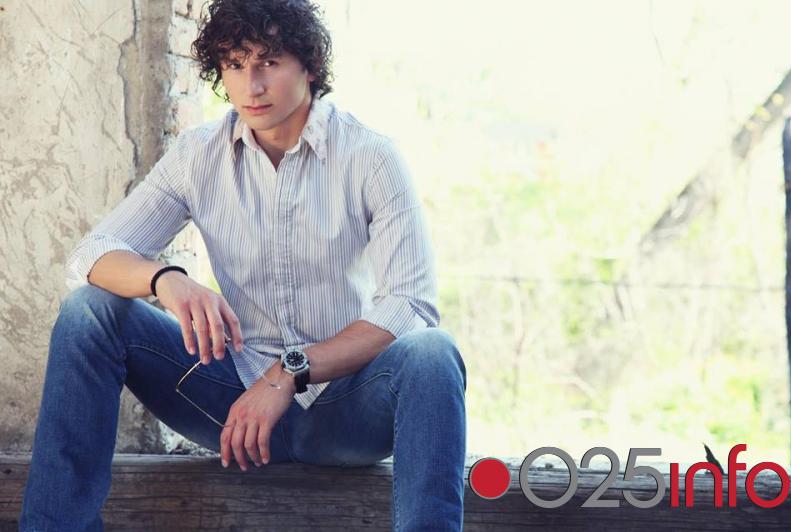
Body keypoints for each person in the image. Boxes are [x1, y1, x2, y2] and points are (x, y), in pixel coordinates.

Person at [18, 0, 467, 530]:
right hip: (230, 405)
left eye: (268, 62)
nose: (251, 85)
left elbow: (410, 305)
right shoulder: (198, 155)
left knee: (433, 353)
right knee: (90, 311)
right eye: (234, 64)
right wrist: (166, 280)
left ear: (309, 66)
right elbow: (91, 255)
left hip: (345, 409)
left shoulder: (371, 157)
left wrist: (288, 374)